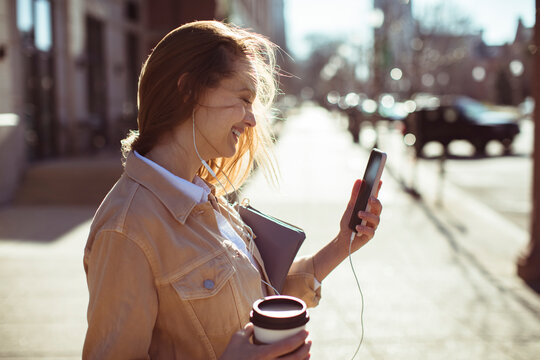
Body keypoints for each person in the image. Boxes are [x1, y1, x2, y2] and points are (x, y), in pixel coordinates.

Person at [82, 20, 382, 360]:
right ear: (189, 90)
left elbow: (262, 290)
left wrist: (344, 242)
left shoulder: (203, 196)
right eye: (243, 99)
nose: (252, 119)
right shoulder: (127, 228)